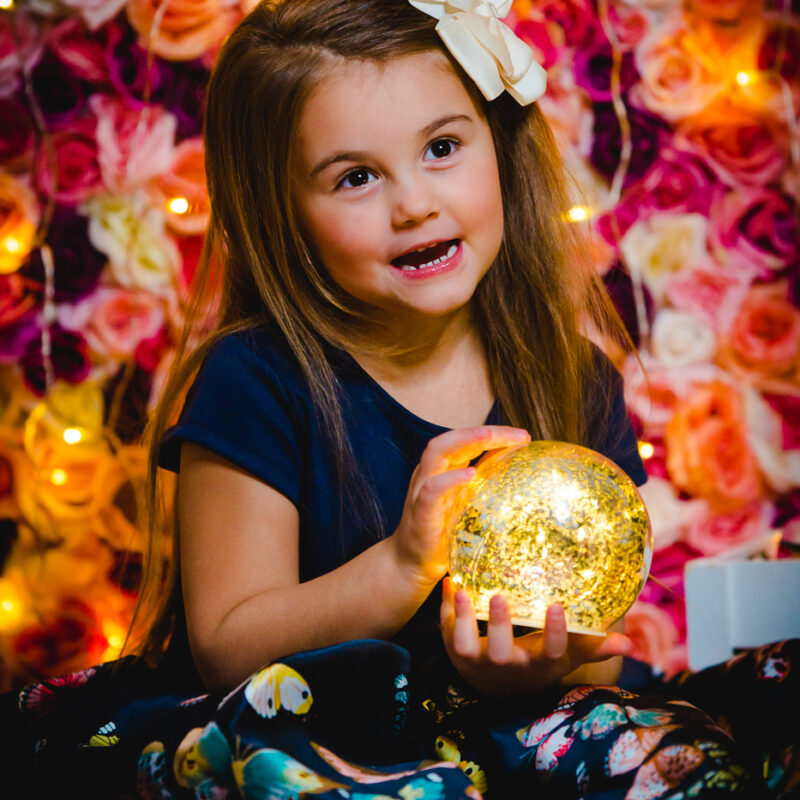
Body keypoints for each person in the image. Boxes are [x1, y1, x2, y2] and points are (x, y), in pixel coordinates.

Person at [9, 1, 797, 798]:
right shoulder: (257, 379)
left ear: (500, 147)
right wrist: (402, 564)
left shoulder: (573, 377)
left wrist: (526, 671)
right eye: (355, 177)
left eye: (443, 147)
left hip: (513, 728)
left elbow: (595, 643)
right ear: (283, 217)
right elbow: (228, 644)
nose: (414, 203)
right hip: (316, 736)